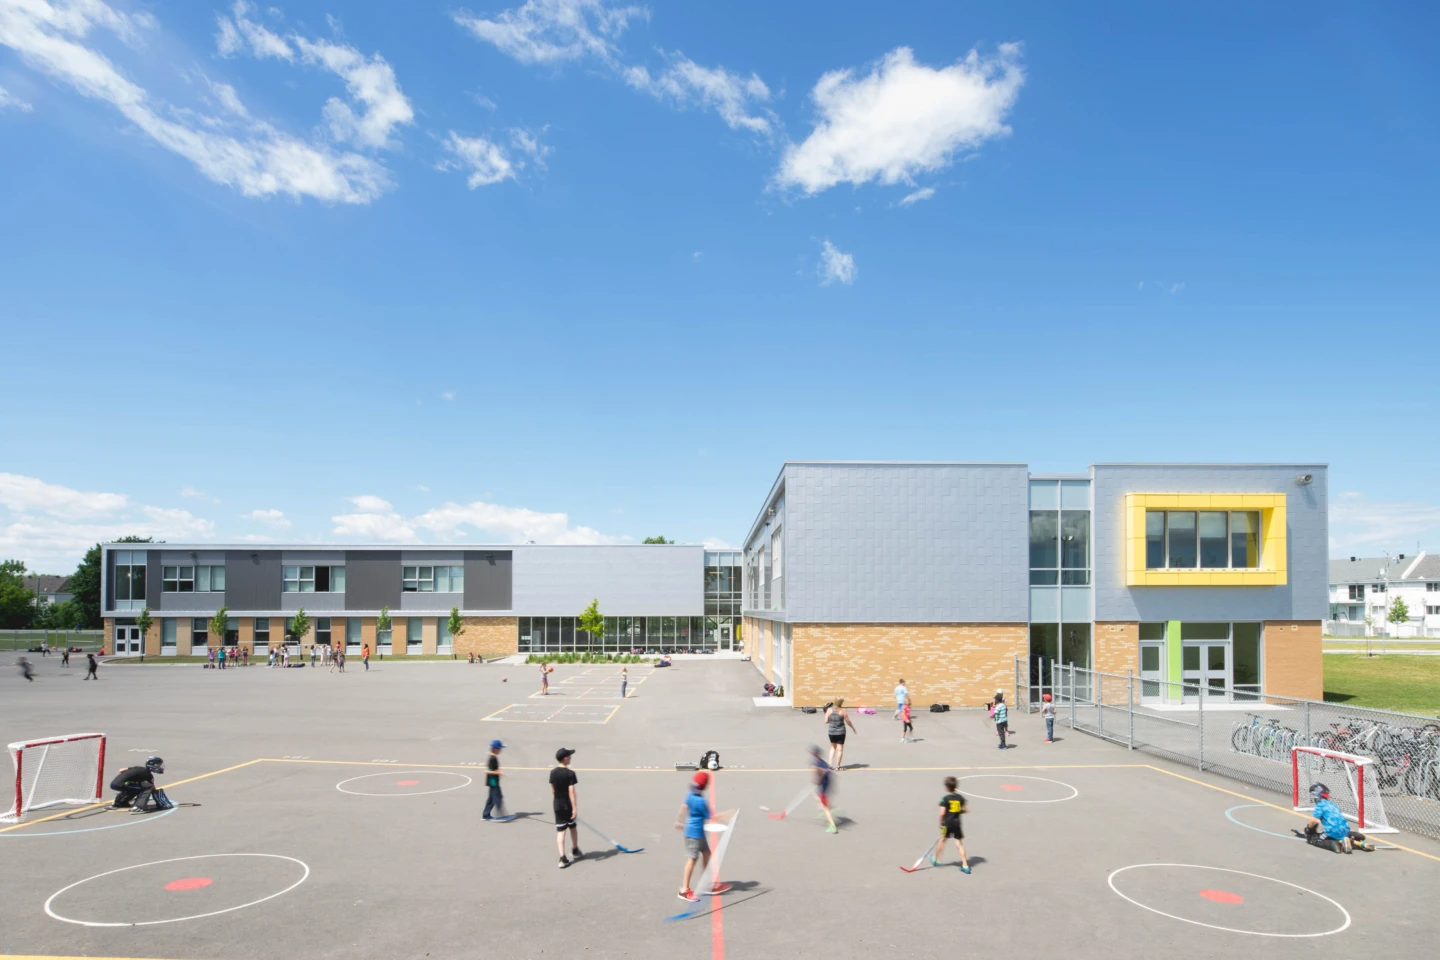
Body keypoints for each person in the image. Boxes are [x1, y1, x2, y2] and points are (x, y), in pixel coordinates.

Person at [675, 771, 733, 902]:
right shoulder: (701, 801)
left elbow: (683, 807)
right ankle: (684, 890)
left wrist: (679, 821)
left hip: (697, 833)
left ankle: (707, 884)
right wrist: (727, 815)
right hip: (693, 835)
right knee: (692, 860)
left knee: (707, 854)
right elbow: (711, 817)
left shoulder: (689, 795)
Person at [1301, 783, 1376, 853]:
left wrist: (1309, 829)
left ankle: (1336, 845)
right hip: (1345, 829)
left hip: (1332, 831)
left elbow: (1313, 820)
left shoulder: (1320, 805)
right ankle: (1358, 843)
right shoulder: (1333, 804)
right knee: (1339, 835)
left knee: (1316, 840)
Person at [931, 776, 972, 873]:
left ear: (947, 787)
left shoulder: (945, 799)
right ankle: (965, 865)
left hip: (947, 824)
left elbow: (942, 813)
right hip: (957, 823)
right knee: (959, 843)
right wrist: (957, 811)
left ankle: (937, 860)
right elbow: (966, 810)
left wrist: (940, 823)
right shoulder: (960, 798)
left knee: (942, 840)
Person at [550, 747, 582, 868]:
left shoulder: (553, 773)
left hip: (557, 805)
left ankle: (562, 858)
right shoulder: (570, 774)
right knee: (572, 828)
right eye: (569, 756)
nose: (570, 758)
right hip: (567, 805)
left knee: (560, 831)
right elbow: (572, 792)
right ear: (565, 758)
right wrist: (574, 808)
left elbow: (552, 789)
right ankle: (575, 849)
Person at [809, 744, 838, 834]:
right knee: (817, 796)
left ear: (814, 754)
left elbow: (820, 773)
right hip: (828, 783)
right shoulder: (822, 762)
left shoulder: (816, 765)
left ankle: (832, 826)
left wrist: (817, 780)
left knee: (824, 806)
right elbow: (828, 771)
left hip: (824, 786)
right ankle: (827, 808)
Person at [824, 698, 858, 770]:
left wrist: (831, 719)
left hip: (832, 732)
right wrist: (853, 728)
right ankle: (838, 766)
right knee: (840, 749)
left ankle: (829, 764)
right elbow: (848, 721)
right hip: (841, 732)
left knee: (833, 747)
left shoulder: (829, 710)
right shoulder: (843, 711)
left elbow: (826, 721)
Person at [482, 740, 506, 820]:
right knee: (497, 797)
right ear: (495, 749)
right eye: (500, 749)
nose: (500, 750)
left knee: (491, 799)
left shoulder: (493, 757)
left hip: (493, 781)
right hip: (493, 782)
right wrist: (498, 772)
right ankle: (500, 815)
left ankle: (486, 815)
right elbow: (487, 770)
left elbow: (492, 768)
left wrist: (498, 770)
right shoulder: (492, 758)